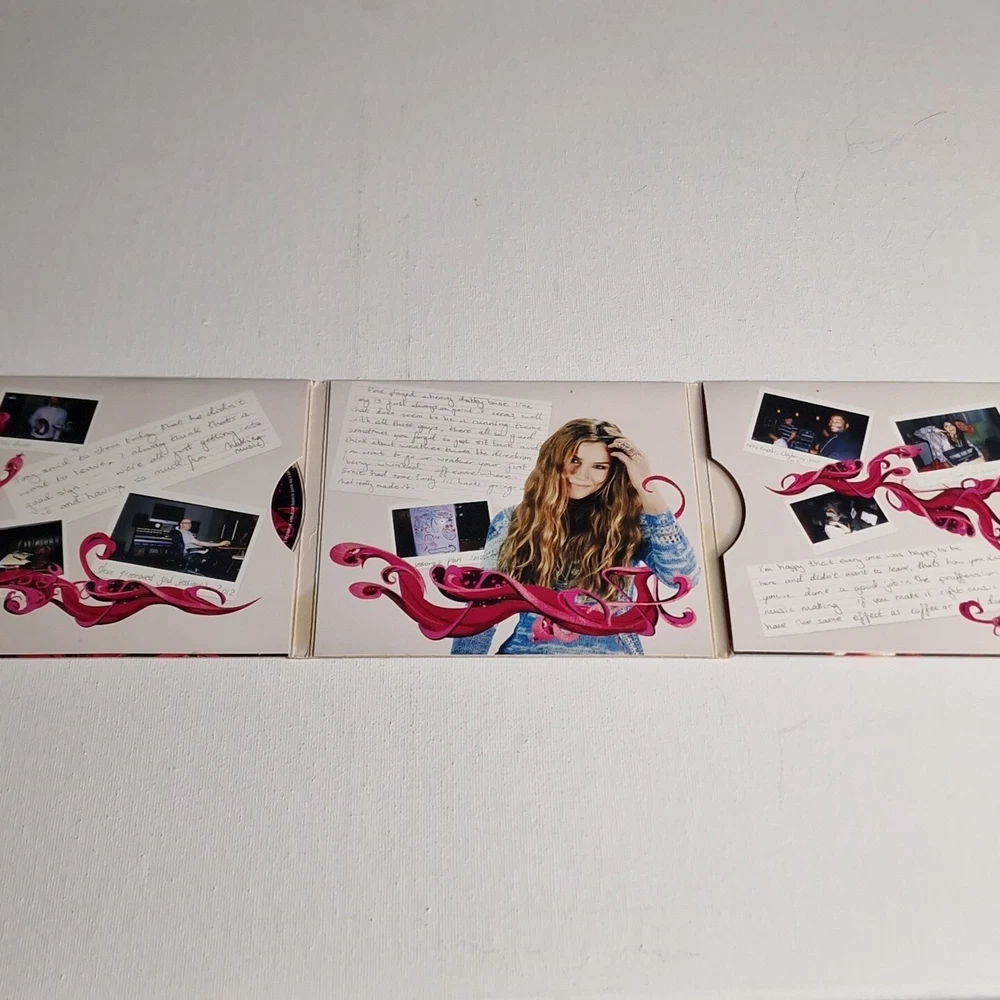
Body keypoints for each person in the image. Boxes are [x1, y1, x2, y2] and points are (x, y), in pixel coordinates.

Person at [450, 418, 699, 656]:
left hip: (613, 666)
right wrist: (461, 669)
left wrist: (645, 484)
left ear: (613, 472)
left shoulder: (629, 523)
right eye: (574, 460)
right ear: (554, 460)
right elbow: (483, 603)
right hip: (525, 660)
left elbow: (683, 576)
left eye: (599, 466)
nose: (581, 475)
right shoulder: (512, 521)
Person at [912, 419, 983, 468]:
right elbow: (917, 433)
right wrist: (933, 429)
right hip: (948, 464)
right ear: (943, 429)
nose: (950, 427)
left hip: (964, 462)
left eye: (951, 425)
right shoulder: (938, 437)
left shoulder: (960, 437)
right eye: (946, 426)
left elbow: (972, 447)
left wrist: (980, 456)